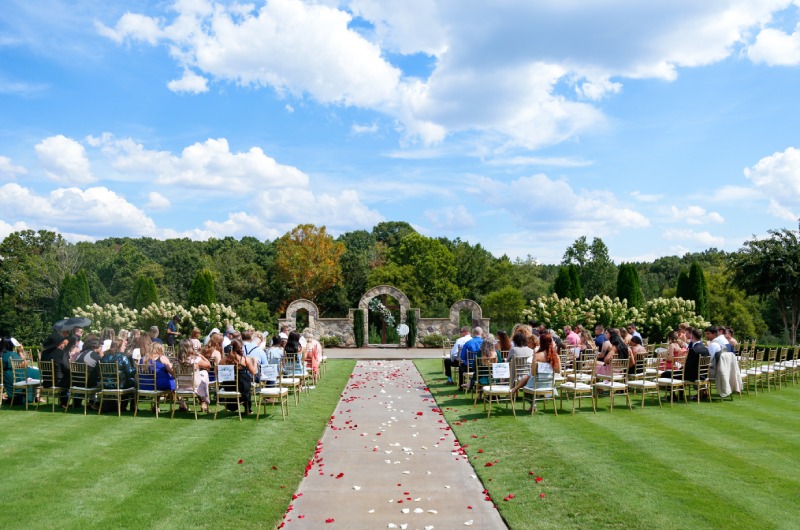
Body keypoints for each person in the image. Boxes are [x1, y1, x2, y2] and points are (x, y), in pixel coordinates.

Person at [510, 331, 561, 402]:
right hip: (550, 384)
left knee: (526, 388)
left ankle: (531, 403)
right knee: (528, 377)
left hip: (537, 383)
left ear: (541, 343)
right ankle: (532, 404)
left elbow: (533, 373)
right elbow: (558, 371)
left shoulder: (537, 356)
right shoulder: (556, 356)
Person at [220, 339, 257, 415]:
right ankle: (247, 408)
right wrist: (255, 361)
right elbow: (253, 372)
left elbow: (216, 372)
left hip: (229, 385)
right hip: (242, 385)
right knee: (246, 387)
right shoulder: (244, 359)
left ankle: (231, 404)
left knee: (243, 385)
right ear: (240, 348)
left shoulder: (224, 359)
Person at [2, 337, 41, 405]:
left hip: (6, 376)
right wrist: (20, 352)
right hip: (14, 376)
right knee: (37, 373)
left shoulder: (3, 354)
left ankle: (37, 396)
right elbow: (24, 364)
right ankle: (37, 396)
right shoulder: (11, 354)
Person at [101, 338, 137, 411]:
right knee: (135, 383)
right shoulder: (123, 357)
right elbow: (130, 372)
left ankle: (113, 406)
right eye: (124, 345)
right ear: (119, 346)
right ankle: (128, 407)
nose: (125, 347)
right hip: (120, 384)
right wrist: (136, 367)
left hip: (106, 384)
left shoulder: (104, 357)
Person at [176, 338, 211, 413]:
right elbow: (208, 365)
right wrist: (201, 356)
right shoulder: (195, 359)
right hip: (194, 385)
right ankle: (203, 402)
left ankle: (182, 403)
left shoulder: (176, 361)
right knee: (204, 373)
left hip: (181, 385)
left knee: (201, 376)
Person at [40, 332, 71, 408]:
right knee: (70, 376)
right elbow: (67, 368)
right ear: (59, 343)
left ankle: (64, 401)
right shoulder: (62, 353)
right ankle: (65, 402)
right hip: (58, 382)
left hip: (46, 382)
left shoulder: (44, 353)